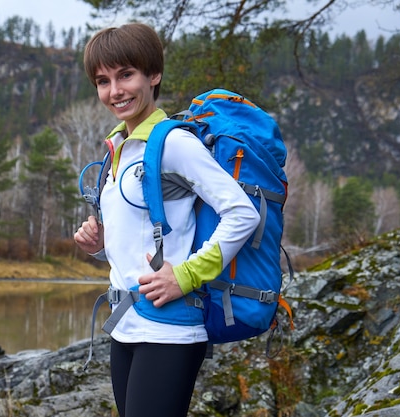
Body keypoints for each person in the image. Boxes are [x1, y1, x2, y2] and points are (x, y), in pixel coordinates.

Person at [74, 23, 260, 417]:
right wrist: (100, 245)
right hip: (125, 324)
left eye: (126, 75)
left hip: (169, 329)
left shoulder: (174, 143)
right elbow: (144, 235)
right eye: (103, 81)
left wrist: (188, 275)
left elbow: (242, 213)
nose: (115, 91)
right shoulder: (119, 147)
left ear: (153, 75)